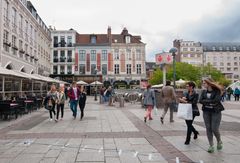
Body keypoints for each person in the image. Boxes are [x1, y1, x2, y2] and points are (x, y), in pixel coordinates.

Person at [199, 78, 225, 153]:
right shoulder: (203, 92)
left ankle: (219, 141)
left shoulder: (217, 91)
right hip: (206, 112)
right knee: (208, 128)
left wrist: (206, 102)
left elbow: (216, 101)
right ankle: (211, 145)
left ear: (209, 83)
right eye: (203, 83)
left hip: (216, 111)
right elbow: (200, 101)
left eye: (204, 83)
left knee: (214, 128)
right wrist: (210, 103)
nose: (203, 84)